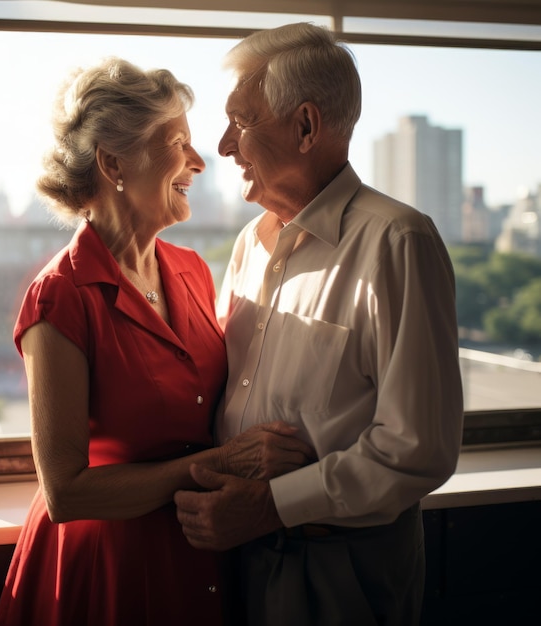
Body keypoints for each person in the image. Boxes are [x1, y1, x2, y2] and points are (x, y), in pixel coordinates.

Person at [0, 56, 313, 626]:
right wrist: (217, 464)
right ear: (114, 161)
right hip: (110, 570)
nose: (200, 161)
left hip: (202, 549)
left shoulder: (192, 269)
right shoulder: (60, 297)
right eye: (179, 142)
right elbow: (66, 494)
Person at [174, 22, 464, 626]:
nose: (224, 146)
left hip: (341, 567)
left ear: (305, 126)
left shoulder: (397, 242)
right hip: (235, 552)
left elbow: (419, 450)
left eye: (241, 121)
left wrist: (270, 506)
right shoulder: (249, 245)